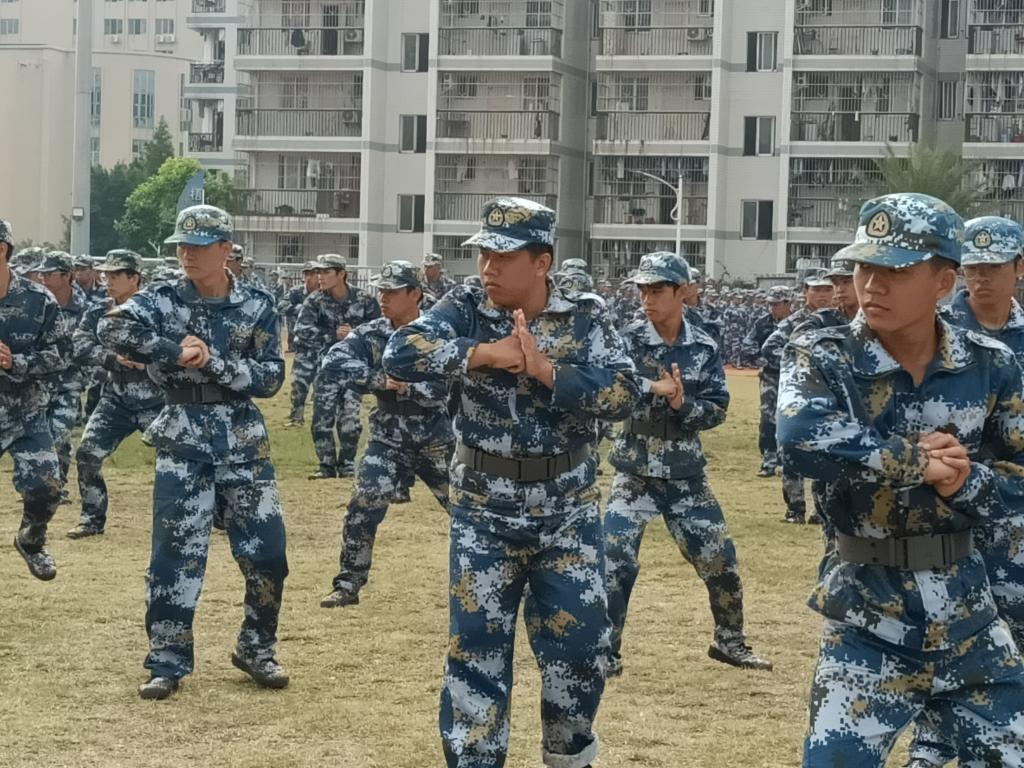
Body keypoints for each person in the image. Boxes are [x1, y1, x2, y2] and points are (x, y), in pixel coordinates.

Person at [384, 197, 640, 768]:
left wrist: (547, 371)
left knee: (581, 648)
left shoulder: (585, 316)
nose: (487, 268)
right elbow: (399, 354)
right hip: (484, 511)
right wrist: (484, 354)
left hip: (567, 511)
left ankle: (568, 755)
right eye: (483, 255)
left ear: (542, 262)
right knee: (476, 651)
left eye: (502, 257)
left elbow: (624, 393)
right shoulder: (465, 307)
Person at [777, 193, 1024, 766]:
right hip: (867, 619)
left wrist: (964, 482)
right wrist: (917, 463)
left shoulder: (991, 363)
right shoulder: (824, 354)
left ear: (942, 282)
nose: (872, 285)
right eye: (865, 267)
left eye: (895, 270)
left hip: (969, 617)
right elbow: (800, 437)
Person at [98, 205, 289, 701]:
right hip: (183, 440)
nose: (187, 254)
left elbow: (271, 377)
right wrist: (175, 352)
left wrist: (215, 362)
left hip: (243, 442)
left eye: (199, 246)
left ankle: (256, 648)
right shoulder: (160, 297)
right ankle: (167, 660)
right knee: (174, 556)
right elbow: (111, 330)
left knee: (268, 554)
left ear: (225, 248)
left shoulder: (258, 303)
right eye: (182, 245)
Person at [603, 251, 772, 678]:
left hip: (685, 473)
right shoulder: (625, 341)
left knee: (720, 560)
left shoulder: (704, 345)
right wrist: (651, 387)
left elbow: (717, 409)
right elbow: (609, 392)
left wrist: (682, 404)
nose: (647, 299)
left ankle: (730, 642)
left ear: (683, 292)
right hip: (635, 471)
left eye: (657, 290)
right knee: (615, 559)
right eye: (642, 290)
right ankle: (605, 652)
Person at [905, 215, 1024, 768]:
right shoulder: (932, 329)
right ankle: (933, 745)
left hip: (1014, 508)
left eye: (993, 267)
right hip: (945, 509)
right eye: (972, 267)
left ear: (1018, 268)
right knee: (942, 631)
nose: (981, 278)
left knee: (1012, 627)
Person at [320, 260, 454, 608]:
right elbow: (333, 361)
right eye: (381, 290)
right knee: (364, 502)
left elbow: (445, 388)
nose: (383, 297)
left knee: (467, 508)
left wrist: (407, 389)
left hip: (435, 438)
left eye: (392, 291)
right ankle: (348, 583)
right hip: (387, 438)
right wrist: (379, 380)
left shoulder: (437, 333)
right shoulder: (373, 333)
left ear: (415, 294)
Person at [67, 250, 164, 539]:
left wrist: (150, 362)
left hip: (157, 401)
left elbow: (177, 348)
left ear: (135, 278)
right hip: (116, 399)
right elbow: (78, 345)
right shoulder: (99, 310)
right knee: (87, 453)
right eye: (105, 274)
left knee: (181, 459)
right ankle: (92, 519)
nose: (107, 280)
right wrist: (112, 359)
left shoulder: (157, 310)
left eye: (115, 275)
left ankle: (203, 514)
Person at [0, 218, 64, 580]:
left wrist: (16, 362)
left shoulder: (38, 300)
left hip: (25, 414)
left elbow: (62, 354)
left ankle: (31, 541)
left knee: (46, 489)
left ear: (2, 250)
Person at [296, 253, 380, 479]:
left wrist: (355, 334)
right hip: (326, 370)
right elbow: (301, 331)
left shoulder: (364, 300)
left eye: (326, 272)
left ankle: (347, 465)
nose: (320, 277)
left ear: (341, 274)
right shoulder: (314, 300)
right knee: (321, 419)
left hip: (355, 369)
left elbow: (379, 331)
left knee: (350, 420)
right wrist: (332, 334)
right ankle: (326, 466)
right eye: (318, 272)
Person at [761, 270, 834, 522]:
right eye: (817, 290)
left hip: (831, 395)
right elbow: (770, 348)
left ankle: (821, 511)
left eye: (828, 289)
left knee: (828, 450)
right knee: (792, 449)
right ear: (805, 292)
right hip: (800, 394)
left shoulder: (840, 320)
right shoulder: (796, 322)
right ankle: (795, 509)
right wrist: (801, 367)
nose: (823, 295)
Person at [35, 251, 90, 502]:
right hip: (39, 381)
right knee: (42, 436)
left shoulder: (85, 308)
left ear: (67, 276)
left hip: (69, 383)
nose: (43, 278)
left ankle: (56, 487)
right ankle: (45, 486)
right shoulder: (37, 303)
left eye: (49, 274)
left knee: (58, 432)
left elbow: (89, 345)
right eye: (41, 274)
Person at [742, 286, 791, 477]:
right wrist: (761, 360)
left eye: (776, 304)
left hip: (794, 378)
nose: (772, 308)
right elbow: (748, 344)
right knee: (767, 418)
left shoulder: (799, 323)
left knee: (791, 418)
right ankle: (769, 461)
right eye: (770, 304)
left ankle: (788, 462)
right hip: (770, 376)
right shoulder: (763, 323)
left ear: (788, 303)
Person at [285, 262, 321, 422]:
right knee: (299, 383)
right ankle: (296, 417)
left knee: (322, 385)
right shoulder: (296, 292)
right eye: (307, 274)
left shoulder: (326, 293)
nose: (309, 277)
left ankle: (320, 419)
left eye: (313, 274)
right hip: (303, 345)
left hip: (322, 346)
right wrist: (303, 309)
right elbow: (281, 305)